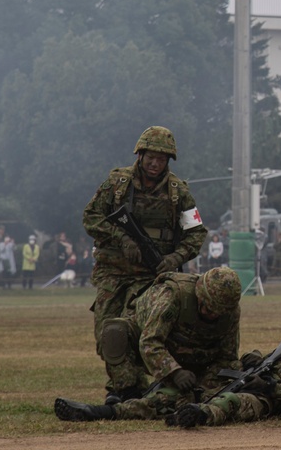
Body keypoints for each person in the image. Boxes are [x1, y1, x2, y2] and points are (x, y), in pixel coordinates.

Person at [82, 126, 208, 403]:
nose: (154, 163)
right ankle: (124, 387)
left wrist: (175, 259)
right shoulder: (117, 184)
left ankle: (130, 390)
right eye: (150, 157)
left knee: (138, 330)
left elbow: (196, 232)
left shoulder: (179, 192)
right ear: (140, 154)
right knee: (107, 332)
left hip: (152, 277)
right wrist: (121, 238)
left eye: (161, 159)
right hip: (113, 273)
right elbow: (91, 217)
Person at [54, 266, 242, 421]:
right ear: (199, 295)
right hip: (157, 351)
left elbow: (227, 357)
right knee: (114, 331)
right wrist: (175, 372)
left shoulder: (229, 312)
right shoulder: (173, 296)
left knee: (188, 396)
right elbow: (150, 341)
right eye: (209, 308)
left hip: (198, 359)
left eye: (219, 312)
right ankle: (129, 393)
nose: (214, 315)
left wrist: (207, 385)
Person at [167, 360, 281, 428]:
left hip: (264, 400)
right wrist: (255, 360)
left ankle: (199, 415)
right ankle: (155, 407)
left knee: (230, 402)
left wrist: (268, 386)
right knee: (191, 393)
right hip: (246, 382)